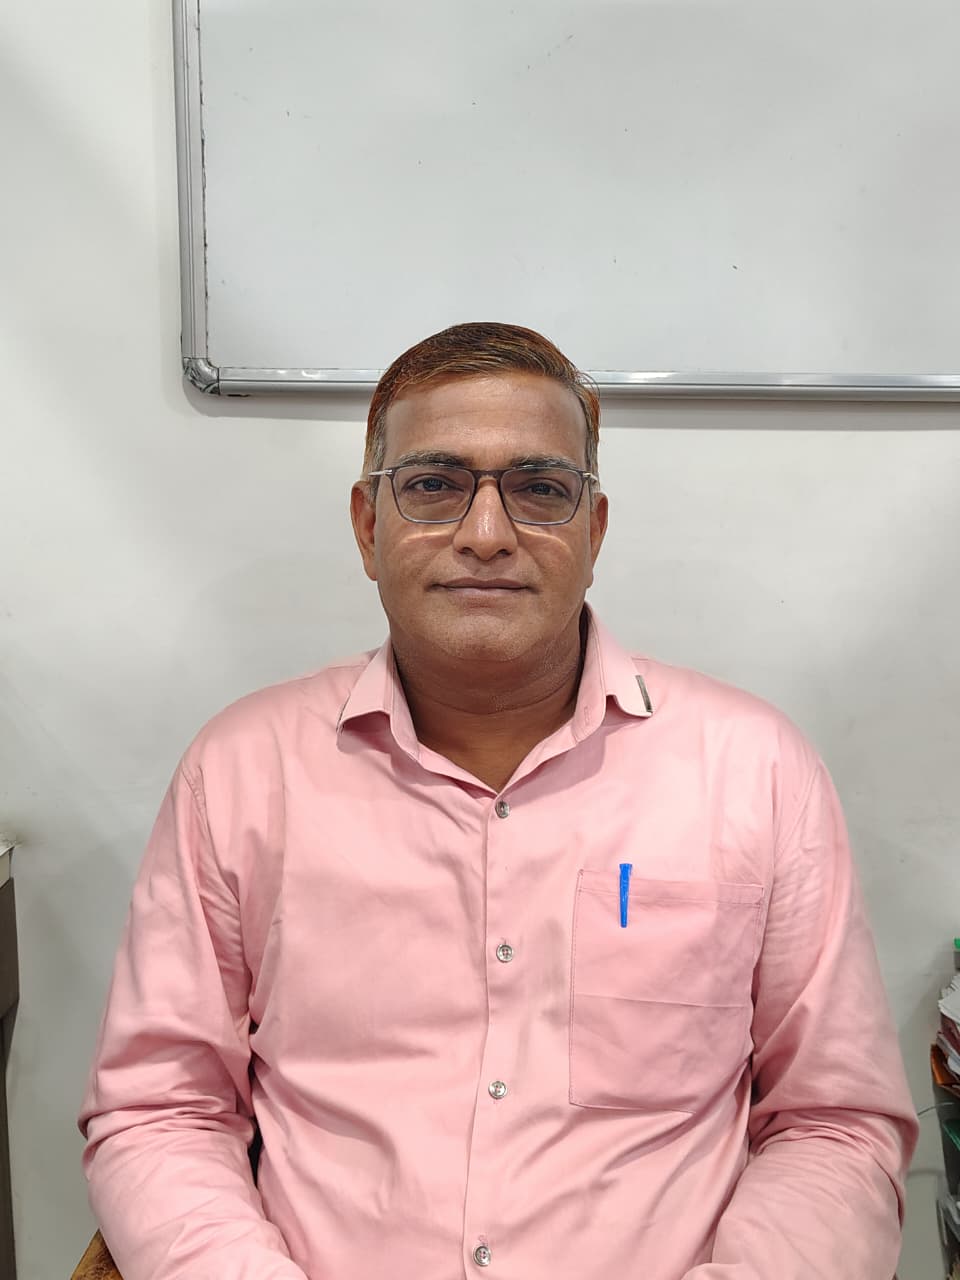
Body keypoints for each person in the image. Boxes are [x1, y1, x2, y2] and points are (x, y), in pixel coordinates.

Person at [80, 322, 918, 1280]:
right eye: (434, 484)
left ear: (594, 531)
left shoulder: (754, 770)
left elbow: (833, 1121)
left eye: (540, 489)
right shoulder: (241, 773)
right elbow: (161, 1108)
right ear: (367, 525)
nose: (486, 534)